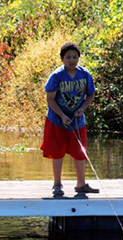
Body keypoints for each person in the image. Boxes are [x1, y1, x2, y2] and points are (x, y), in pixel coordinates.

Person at [40, 42, 99, 197]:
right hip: (57, 120)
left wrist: (82, 109)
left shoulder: (85, 74)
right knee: (57, 153)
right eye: (68, 57)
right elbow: (50, 99)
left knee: (80, 152)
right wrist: (62, 116)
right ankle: (57, 184)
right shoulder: (57, 76)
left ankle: (81, 184)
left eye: (74, 57)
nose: (72, 60)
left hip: (77, 121)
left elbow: (91, 94)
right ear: (62, 59)